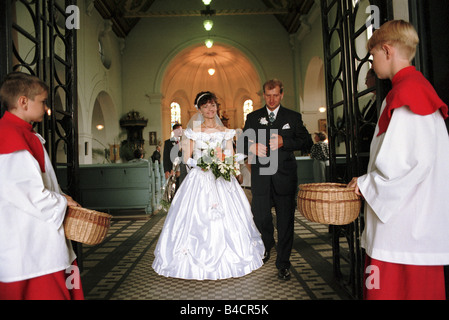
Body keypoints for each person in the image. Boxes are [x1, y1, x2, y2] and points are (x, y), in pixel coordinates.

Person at [348, 20, 449, 300]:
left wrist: (366, 184)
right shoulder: (411, 89)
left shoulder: (408, 95)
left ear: (387, 50)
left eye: (373, 56)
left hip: (403, 226)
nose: (373, 63)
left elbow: (405, 165)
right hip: (410, 220)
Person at [152, 91, 264, 280]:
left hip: (223, 179)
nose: (210, 109)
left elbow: (229, 155)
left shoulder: (226, 132)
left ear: (217, 107)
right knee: (197, 219)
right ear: (200, 109)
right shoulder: (192, 132)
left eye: (213, 105)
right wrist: (205, 162)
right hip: (200, 179)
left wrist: (236, 164)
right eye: (206, 106)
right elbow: (187, 159)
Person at [0, 71, 84, 300]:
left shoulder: (26, 134)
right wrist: (63, 201)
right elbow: (27, 194)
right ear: (23, 101)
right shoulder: (10, 137)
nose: (47, 108)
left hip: (38, 237)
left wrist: (60, 196)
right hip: (29, 243)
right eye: (43, 101)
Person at [241, 79, 313, 280]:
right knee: (260, 216)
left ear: (281, 94)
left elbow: (306, 141)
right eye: (268, 95)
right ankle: (267, 241)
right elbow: (242, 141)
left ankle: (283, 263)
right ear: (263, 95)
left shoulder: (293, 116)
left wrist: (285, 141)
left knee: (285, 222)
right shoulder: (253, 117)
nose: (271, 99)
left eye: (275, 95)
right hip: (261, 175)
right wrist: (251, 147)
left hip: (285, 176)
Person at [163, 123, 187, 188]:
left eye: (181, 130)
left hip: (182, 169)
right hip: (172, 169)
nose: (180, 131)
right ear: (174, 131)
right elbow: (166, 157)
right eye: (178, 130)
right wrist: (166, 170)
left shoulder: (184, 142)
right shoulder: (168, 142)